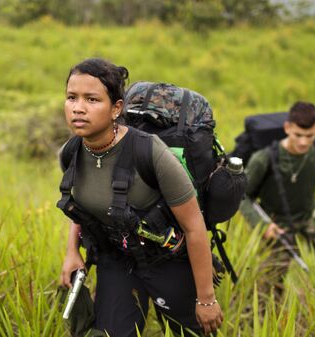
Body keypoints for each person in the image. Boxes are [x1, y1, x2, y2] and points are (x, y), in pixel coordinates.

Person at [58, 58, 222, 336]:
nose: (78, 108)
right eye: (71, 97)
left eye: (92, 99)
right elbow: (85, 208)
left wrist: (206, 298)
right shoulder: (71, 152)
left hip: (166, 260)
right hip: (117, 260)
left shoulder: (150, 152)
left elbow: (194, 228)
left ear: (116, 109)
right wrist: (72, 252)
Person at [239, 101, 315, 296]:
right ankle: (264, 316)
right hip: (276, 221)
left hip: (309, 213)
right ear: (287, 128)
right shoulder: (264, 158)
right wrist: (263, 226)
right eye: (298, 135)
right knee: (271, 278)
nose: (304, 142)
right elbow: (242, 195)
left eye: (310, 136)